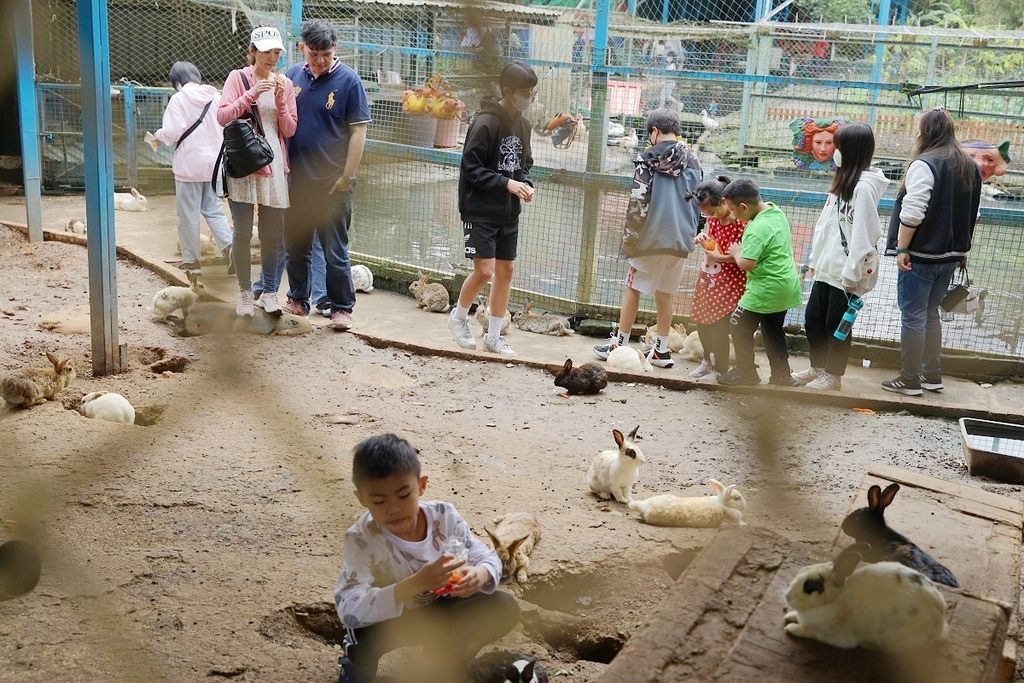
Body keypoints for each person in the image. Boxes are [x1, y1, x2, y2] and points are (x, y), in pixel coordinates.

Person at [335, 434, 520, 682]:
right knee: (363, 638)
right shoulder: (361, 539)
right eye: (378, 501)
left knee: (503, 608)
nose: (393, 508)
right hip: (389, 622)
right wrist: (415, 584)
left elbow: (485, 555)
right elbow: (348, 608)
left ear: (421, 485)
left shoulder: (444, 516)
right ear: (361, 498)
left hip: (438, 610)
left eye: (403, 495)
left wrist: (480, 574)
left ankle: (444, 656)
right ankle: (355, 662)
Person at [882, 108, 981, 396]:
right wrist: (962, 249)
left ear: (927, 133)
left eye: (919, 129)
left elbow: (913, 212)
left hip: (921, 256)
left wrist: (902, 248)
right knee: (930, 314)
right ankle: (932, 375)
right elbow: (972, 213)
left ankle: (909, 379)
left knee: (913, 315)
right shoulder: (969, 165)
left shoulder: (925, 164)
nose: (916, 134)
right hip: (950, 256)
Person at [593, 108, 702, 369]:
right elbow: (701, 201)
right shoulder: (695, 162)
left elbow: (638, 203)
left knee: (632, 287)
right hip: (681, 240)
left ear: (654, 131)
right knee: (665, 294)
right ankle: (662, 350)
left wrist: (630, 240)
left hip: (652, 238)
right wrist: (694, 232)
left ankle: (619, 343)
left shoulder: (647, 161)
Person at [281, 20, 371, 331]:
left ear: (336, 50)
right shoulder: (291, 76)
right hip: (297, 181)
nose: (320, 60)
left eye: (327, 54)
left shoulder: (349, 82)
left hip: (333, 185)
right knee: (296, 246)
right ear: (302, 48)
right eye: (314, 53)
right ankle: (297, 299)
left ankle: (342, 308)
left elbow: (358, 133)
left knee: (335, 251)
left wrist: (348, 176)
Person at [447, 62, 537, 356]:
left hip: (508, 210)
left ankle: (494, 335)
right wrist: (506, 184)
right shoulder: (484, 123)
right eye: (525, 92)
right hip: (480, 208)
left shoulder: (523, 124)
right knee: (484, 271)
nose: (529, 97)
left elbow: (525, 164)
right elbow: (471, 167)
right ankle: (458, 318)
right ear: (508, 91)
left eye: (531, 92)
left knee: (506, 270)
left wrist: (525, 183)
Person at [793, 123, 888, 391]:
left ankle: (833, 375)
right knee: (813, 319)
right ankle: (818, 368)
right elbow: (826, 227)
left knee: (838, 325)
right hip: (826, 266)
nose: (833, 151)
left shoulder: (863, 189)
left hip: (845, 271)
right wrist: (814, 260)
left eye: (838, 146)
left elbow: (865, 236)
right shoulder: (844, 183)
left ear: (851, 151)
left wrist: (851, 274)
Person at [217, 26, 297, 317]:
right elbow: (223, 116)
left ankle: (271, 293)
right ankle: (245, 294)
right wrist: (250, 95)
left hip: (274, 162)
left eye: (276, 52)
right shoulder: (237, 78)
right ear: (252, 52)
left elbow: (289, 129)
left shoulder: (285, 84)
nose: (271, 58)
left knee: (273, 233)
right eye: (266, 52)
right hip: (243, 163)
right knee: (241, 231)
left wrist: (278, 100)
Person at [149, 61, 233, 276]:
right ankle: (231, 250)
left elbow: (173, 131)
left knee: (188, 215)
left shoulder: (178, 99)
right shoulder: (216, 97)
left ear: (177, 82)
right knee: (214, 210)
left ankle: (192, 262)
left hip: (189, 166)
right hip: (214, 165)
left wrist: (158, 136)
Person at [718, 179, 803, 386]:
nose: (733, 215)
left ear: (744, 207)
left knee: (738, 325)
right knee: (772, 330)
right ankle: (782, 375)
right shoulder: (775, 212)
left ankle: (746, 373)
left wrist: (736, 252)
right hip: (786, 285)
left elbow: (747, 263)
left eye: (733, 210)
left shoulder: (756, 228)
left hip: (766, 288)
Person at [688, 175, 746, 380]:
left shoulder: (740, 223)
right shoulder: (713, 221)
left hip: (730, 281)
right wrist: (703, 239)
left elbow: (741, 256)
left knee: (720, 327)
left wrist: (718, 256)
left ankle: (720, 369)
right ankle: (707, 361)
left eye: (711, 211)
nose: (709, 216)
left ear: (723, 201)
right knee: (702, 323)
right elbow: (713, 243)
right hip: (709, 278)